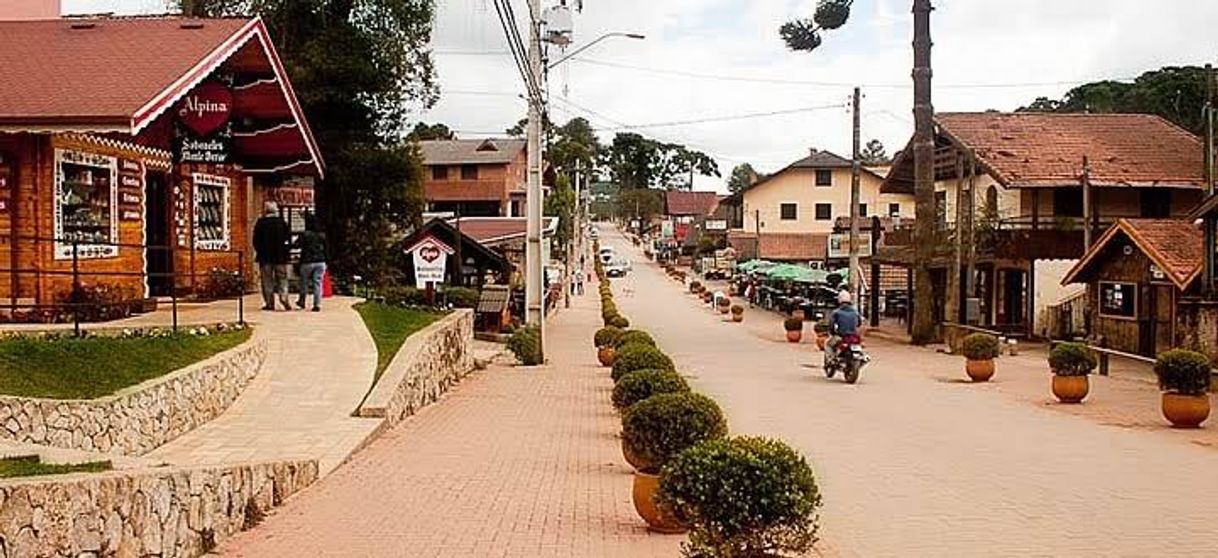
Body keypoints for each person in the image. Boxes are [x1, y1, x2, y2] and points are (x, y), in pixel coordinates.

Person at [253, 202, 291, 311]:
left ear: (265, 210)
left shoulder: (261, 223)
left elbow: (255, 240)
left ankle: (269, 303)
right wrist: (286, 252)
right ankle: (284, 297)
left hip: (265, 258)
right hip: (280, 257)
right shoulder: (282, 223)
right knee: (282, 279)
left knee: (267, 280)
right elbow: (287, 239)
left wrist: (259, 251)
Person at [294, 213, 327, 312]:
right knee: (318, 283)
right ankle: (317, 304)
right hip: (320, 261)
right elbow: (327, 249)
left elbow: (296, 245)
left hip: (307, 261)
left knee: (304, 282)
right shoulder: (322, 235)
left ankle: (302, 301)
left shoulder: (305, 235)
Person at [826, 292, 862, 362]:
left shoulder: (836, 312)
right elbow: (859, 323)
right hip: (853, 336)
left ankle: (831, 360)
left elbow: (831, 325)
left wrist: (833, 333)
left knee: (829, 345)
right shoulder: (855, 312)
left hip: (841, 336)